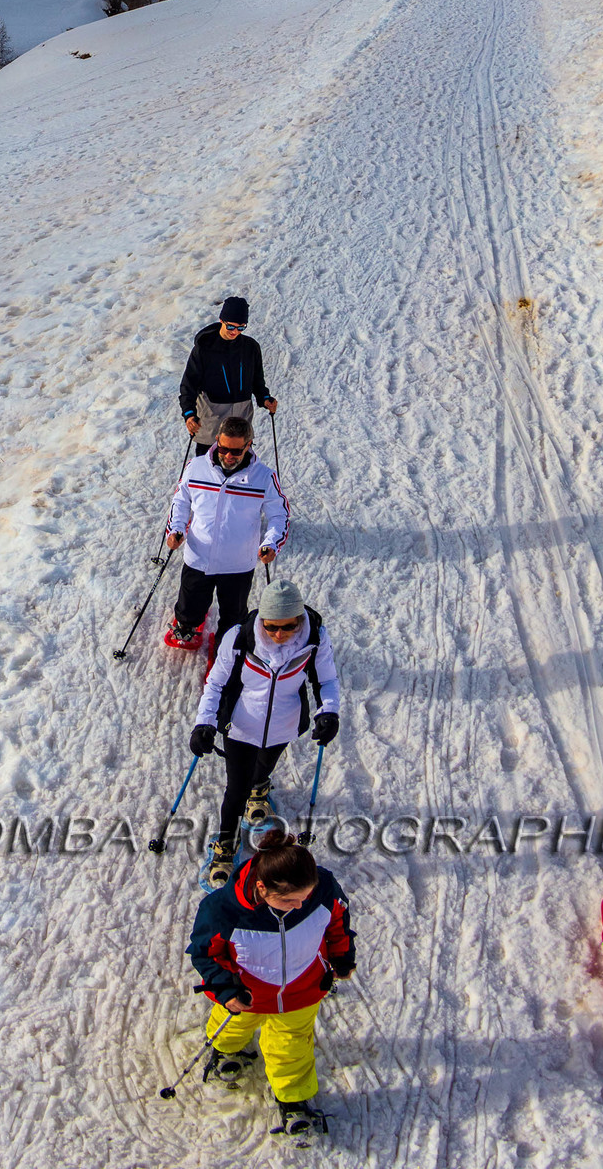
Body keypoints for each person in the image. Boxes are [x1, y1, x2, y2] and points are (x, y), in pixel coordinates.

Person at [187, 821, 355, 1138]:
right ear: (263, 889)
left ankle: (293, 1100)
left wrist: (342, 956)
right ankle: (226, 1050)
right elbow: (205, 953)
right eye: (289, 901)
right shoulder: (222, 910)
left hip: (303, 990)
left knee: (292, 1047)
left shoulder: (322, 888)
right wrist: (226, 989)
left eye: (305, 897)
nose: (300, 905)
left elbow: (337, 922)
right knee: (233, 1025)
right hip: (246, 993)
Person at [189, 576, 338, 883]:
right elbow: (215, 683)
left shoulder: (315, 638)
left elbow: (325, 681)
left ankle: (260, 790)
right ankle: (226, 844)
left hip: (284, 724)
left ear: (299, 619)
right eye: (271, 627)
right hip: (241, 726)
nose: (279, 634)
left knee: (264, 768)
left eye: (288, 626)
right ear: (263, 620)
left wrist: (329, 712)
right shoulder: (239, 637)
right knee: (236, 789)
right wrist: (204, 723)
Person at [164, 419, 288, 652]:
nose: (229, 456)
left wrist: (271, 543)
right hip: (199, 554)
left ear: (249, 445)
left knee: (234, 612)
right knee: (190, 601)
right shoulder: (196, 467)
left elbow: (279, 515)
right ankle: (187, 624)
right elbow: (181, 500)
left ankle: (227, 645)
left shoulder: (264, 477)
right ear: (216, 441)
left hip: (237, 562)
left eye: (236, 451)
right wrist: (176, 528)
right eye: (223, 448)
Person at [179, 297, 276, 453]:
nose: (235, 331)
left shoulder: (251, 347)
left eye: (241, 327)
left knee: (240, 460)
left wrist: (264, 398)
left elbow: (257, 380)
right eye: (231, 326)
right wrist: (189, 414)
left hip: (241, 417)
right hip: (211, 418)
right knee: (208, 463)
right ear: (221, 320)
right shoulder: (204, 348)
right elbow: (188, 384)